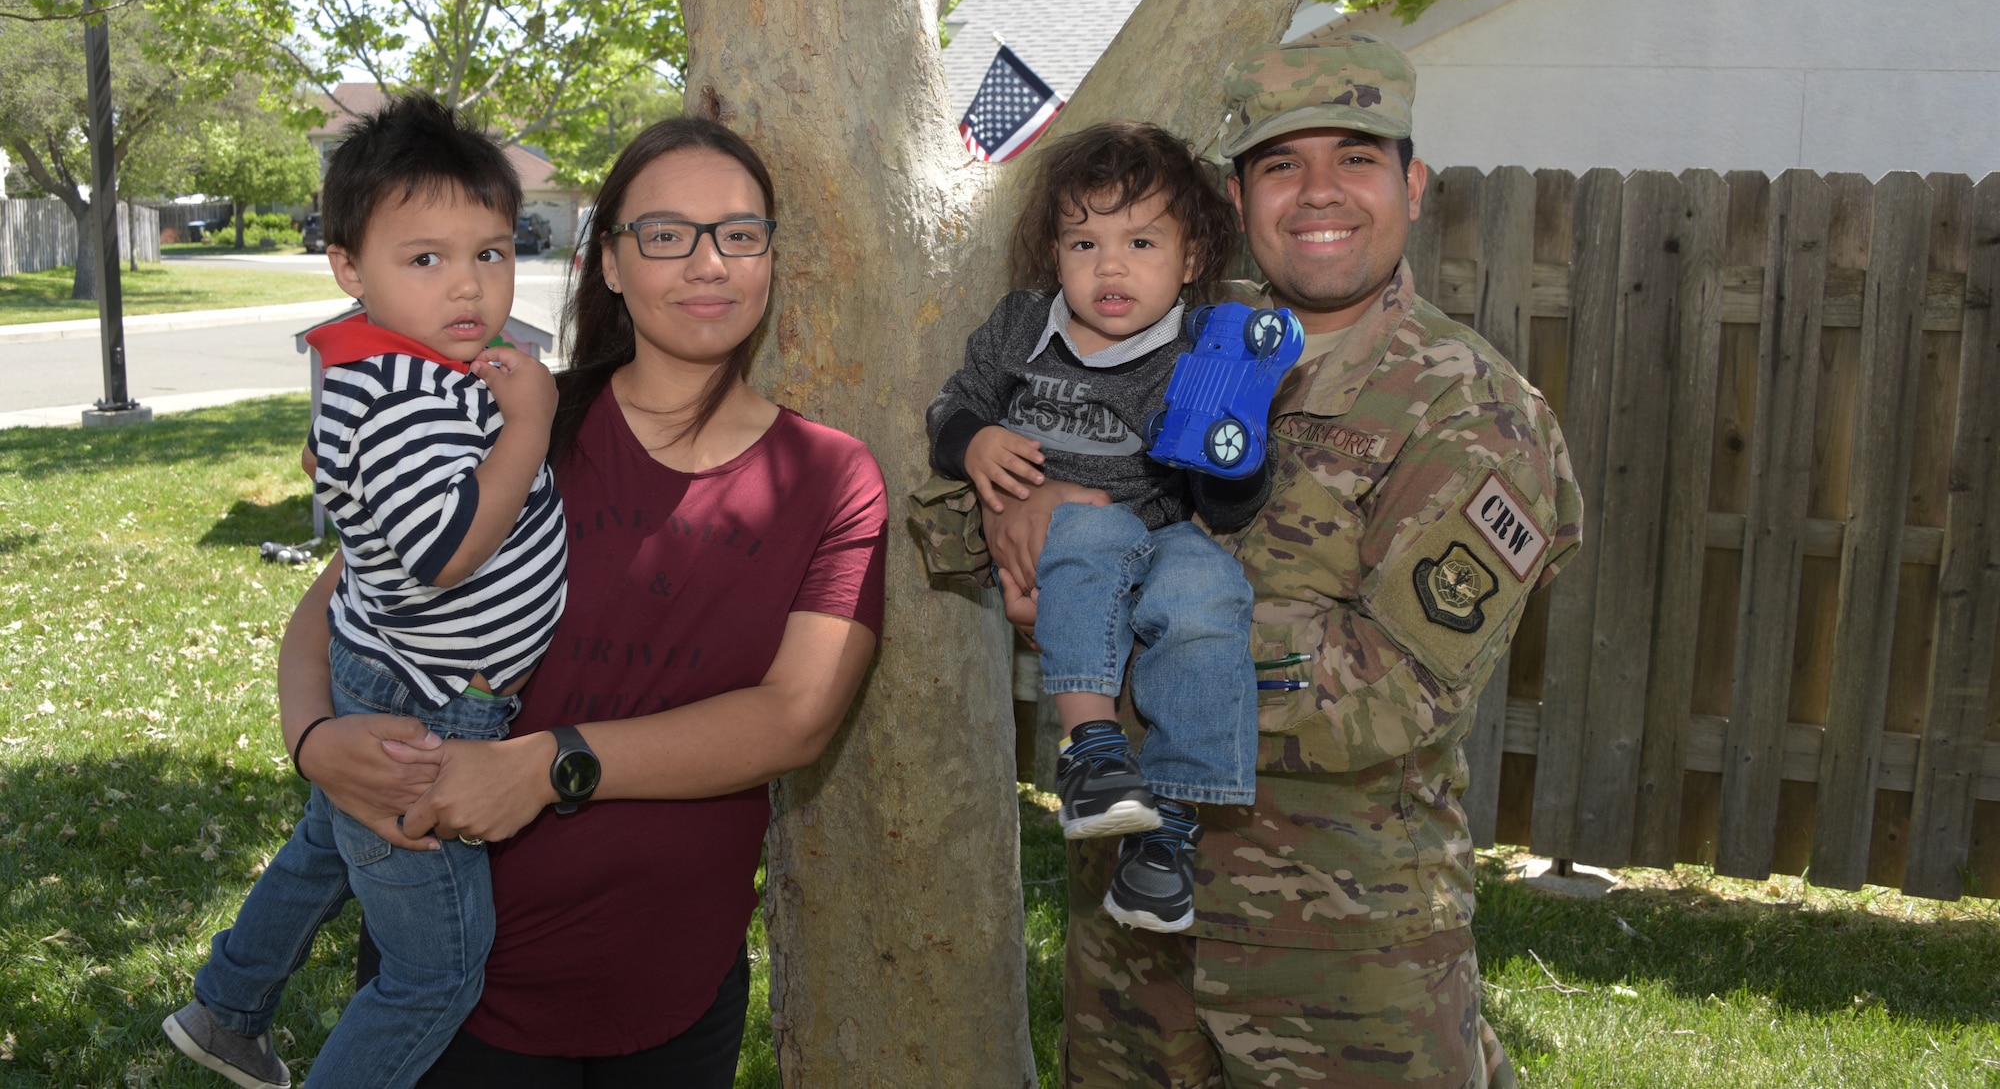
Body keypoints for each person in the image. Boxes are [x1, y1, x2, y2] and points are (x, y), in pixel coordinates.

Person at [987, 30, 1583, 1087]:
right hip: (1131, 938)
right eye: (1279, 165)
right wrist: (1023, 502)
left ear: (1410, 183)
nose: (1318, 193)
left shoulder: (1471, 409)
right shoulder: (1168, 346)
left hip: (1338, 961)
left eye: (1353, 159)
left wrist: (1120, 623)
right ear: (1236, 196)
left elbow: (1387, 692)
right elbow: (964, 503)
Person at [273, 116, 887, 1085]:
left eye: (738, 233)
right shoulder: (516, 422)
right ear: (608, 262)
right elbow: (339, 601)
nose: (706, 263)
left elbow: (794, 718)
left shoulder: (830, 476)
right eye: (663, 233)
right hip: (454, 988)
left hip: (672, 991)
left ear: (769, 258)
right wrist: (314, 740)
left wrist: (548, 766)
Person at [165, 95, 567, 1089]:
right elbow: (445, 552)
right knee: (436, 973)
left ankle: (228, 1008)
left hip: (388, 663)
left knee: (327, 845)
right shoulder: (396, 393)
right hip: (421, 705)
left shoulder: (422, 363)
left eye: (491, 250)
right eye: (423, 258)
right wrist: (530, 426)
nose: (469, 283)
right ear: (349, 267)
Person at [925, 121, 1267, 934]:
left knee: (1211, 592)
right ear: (1054, 254)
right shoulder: (1019, 328)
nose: (1110, 265)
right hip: (1081, 537)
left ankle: (1171, 833)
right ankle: (1095, 753)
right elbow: (951, 405)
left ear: (1189, 261)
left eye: (1141, 241)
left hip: (1164, 530)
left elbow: (1226, 507)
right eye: (1084, 243)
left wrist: (1234, 460)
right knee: (1087, 525)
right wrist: (973, 440)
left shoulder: (1201, 350)